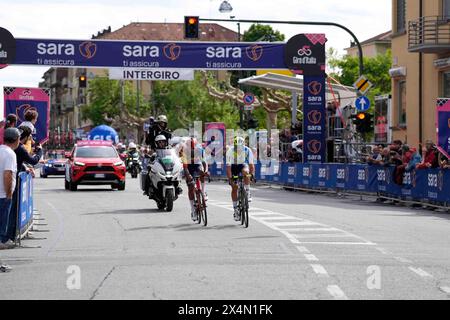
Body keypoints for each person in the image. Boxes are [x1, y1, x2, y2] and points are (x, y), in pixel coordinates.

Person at [5, 127, 43, 242]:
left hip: (12, 180)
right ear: (25, 137)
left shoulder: (9, 149)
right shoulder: (19, 149)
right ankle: (7, 237)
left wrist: (24, 167)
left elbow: (17, 162)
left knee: (11, 211)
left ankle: (9, 236)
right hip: (11, 182)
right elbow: (33, 160)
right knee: (11, 212)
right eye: (29, 137)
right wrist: (40, 151)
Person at [0, 128, 20, 260]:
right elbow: (8, 174)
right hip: (3, 195)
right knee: (1, 232)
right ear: (17, 140)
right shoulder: (10, 154)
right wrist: (8, 193)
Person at [226, 136, 255, 221]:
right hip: (233, 167)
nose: (238, 149)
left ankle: (248, 191)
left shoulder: (247, 150)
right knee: (234, 187)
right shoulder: (230, 151)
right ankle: (235, 209)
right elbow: (228, 168)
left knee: (246, 172)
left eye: (240, 147)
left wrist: (252, 174)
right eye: (237, 147)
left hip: (242, 165)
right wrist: (230, 178)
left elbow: (251, 165)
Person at [182, 137, 208, 221]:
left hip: (197, 165)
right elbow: (185, 168)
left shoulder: (200, 150)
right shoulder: (184, 152)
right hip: (189, 167)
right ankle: (193, 209)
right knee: (191, 187)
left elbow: (204, 162)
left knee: (202, 172)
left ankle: (203, 192)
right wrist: (188, 176)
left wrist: (206, 171)